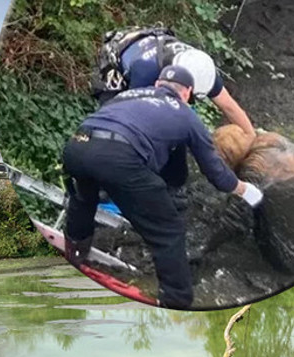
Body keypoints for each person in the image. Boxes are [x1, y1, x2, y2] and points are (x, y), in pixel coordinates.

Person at [63, 65, 263, 309]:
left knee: (83, 200)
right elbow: (216, 173)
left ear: (158, 85)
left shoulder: (128, 95)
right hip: (119, 158)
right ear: (188, 93)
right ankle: (177, 299)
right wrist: (245, 190)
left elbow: (164, 158)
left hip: (77, 147)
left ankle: (74, 253)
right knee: (168, 230)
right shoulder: (186, 114)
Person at [93, 27, 255, 191]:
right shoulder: (146, 72)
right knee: (122, 139)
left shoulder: (202, 71)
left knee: (176, 165)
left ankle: (172, 183)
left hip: (157, 60)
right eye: (190, 98)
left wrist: (251, 138)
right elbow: (133, 121)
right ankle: (107, 188)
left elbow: (229, 106)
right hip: (119, 70)